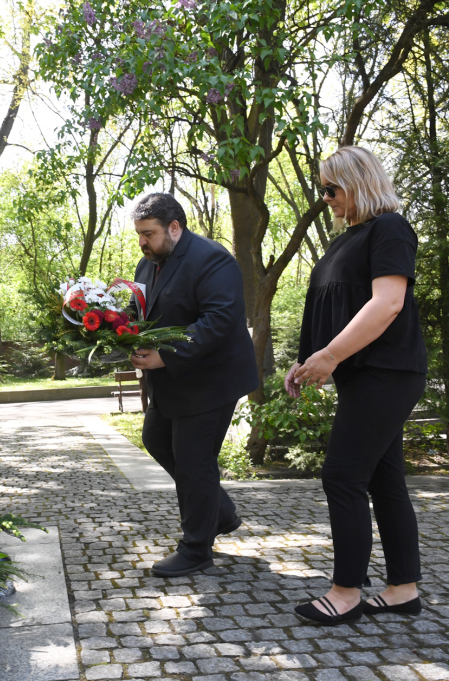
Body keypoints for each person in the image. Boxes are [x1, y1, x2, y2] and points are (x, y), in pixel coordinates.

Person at [287, 146, 428, 624]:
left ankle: (345, 592)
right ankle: (403, 590)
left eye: (333, 188)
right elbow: (333, 306)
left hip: (386, 370)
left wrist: (330, 356)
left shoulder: (390, 227)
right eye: (322, 189)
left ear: (360, 182)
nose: (325, 197)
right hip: (362, 373)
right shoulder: (345, 239)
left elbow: (387, 304)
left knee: (342, 476)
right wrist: (307, 360)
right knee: (384, 479)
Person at [129, 192, 259, 577]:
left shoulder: (212, 259)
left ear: (174, 227)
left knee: (193, 462)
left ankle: (196, 548)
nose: (142, 242)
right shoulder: (147, 263)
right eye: (138, 234)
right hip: (171, 382)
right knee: (156, 439)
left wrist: (165, 355)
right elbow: (141, 311)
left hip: (211, 379)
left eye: (148, 234)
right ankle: (218, 511)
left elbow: (219, 320)